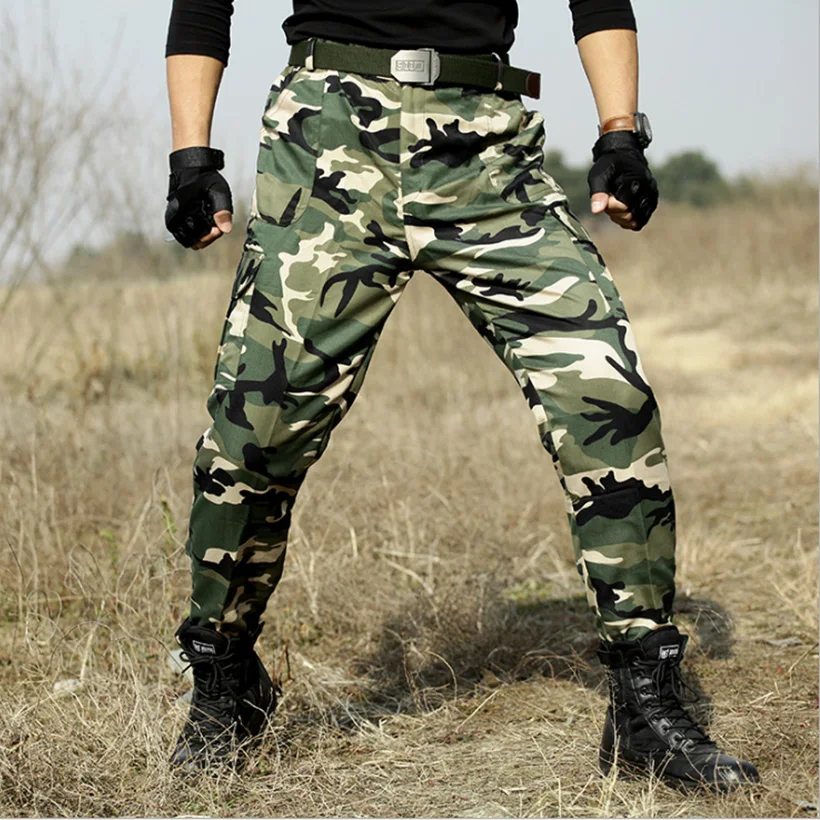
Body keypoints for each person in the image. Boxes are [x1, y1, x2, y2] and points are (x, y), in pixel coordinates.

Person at [163, 0, 760, 791]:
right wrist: (191, 155)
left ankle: (645, 705)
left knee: (606, 387)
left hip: (486, 149)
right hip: (329, 141)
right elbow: (203, 5)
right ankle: (225, 681)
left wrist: (621, 133)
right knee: (253, 433)